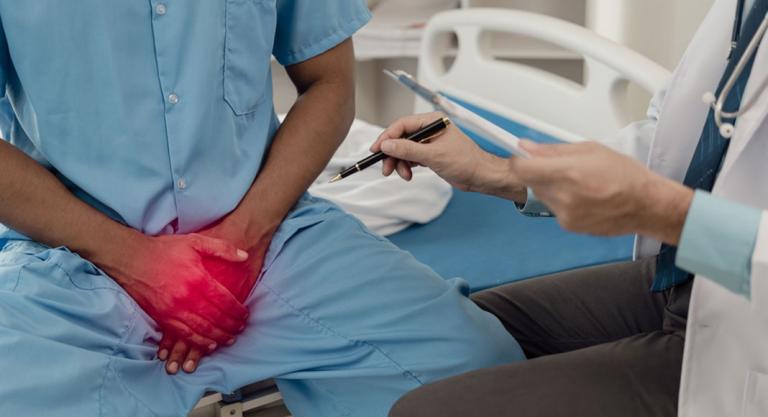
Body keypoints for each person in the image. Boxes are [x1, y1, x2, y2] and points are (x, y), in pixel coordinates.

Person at [0, 2, 525, 417]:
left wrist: (248, 233)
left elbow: (330, 82)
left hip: (267, 238)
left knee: (482, 371)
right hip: (75, 257)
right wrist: (133, 260)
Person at [375, 0, 768, 416]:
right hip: (696, 275)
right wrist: (498, 171)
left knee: (425, 411)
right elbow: (677, 145)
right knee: (447, 333)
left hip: (753, 323)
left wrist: (664, 212)